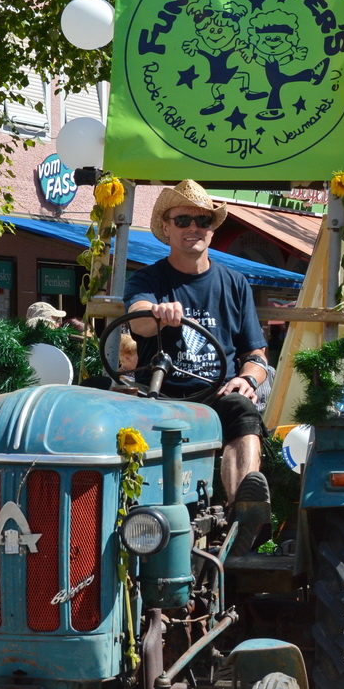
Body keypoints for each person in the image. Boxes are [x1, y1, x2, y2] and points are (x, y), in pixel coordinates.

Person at [125, 180, 273, 549]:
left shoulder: (234, 283)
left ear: (212, 228)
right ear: (166, 227)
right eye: (184, 219)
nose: (194, 227)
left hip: (215, 394)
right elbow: (136, 320)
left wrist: (248, 379)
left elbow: (255, 355)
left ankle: (243, 517)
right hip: (160, 395)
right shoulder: (149, 279)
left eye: (203, 220)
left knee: (242, 410)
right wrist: (158, 313)